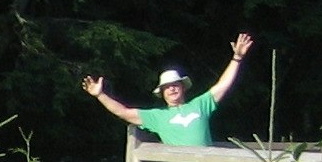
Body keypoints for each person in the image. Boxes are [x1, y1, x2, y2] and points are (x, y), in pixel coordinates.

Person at [82, 34, 253, 145]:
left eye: (175, 85)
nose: (171, 89)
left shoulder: (201, 105)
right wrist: (100, 95)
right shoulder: (157, 116)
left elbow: (223, 85)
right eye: (167, 87)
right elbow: (123, 112)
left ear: (182, 88)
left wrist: (237, 58)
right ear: (162, 93)